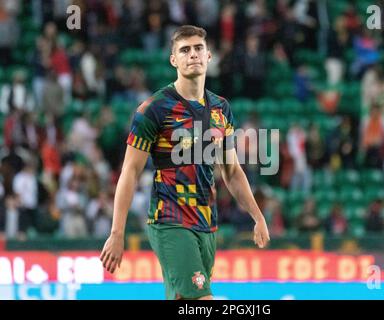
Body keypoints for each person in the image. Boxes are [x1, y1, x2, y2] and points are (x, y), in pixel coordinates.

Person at [100, 25, 270, 300]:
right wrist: (116, 232)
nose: (193, 55)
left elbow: (232, 171)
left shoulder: (221, 108)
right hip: (170, 221)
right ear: (173, 60)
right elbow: (130, 172)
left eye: (198, 48)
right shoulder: (153, 109)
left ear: (209, 55)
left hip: (206, 223)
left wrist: (258, 216)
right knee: (204, 300)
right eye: (185, 50)